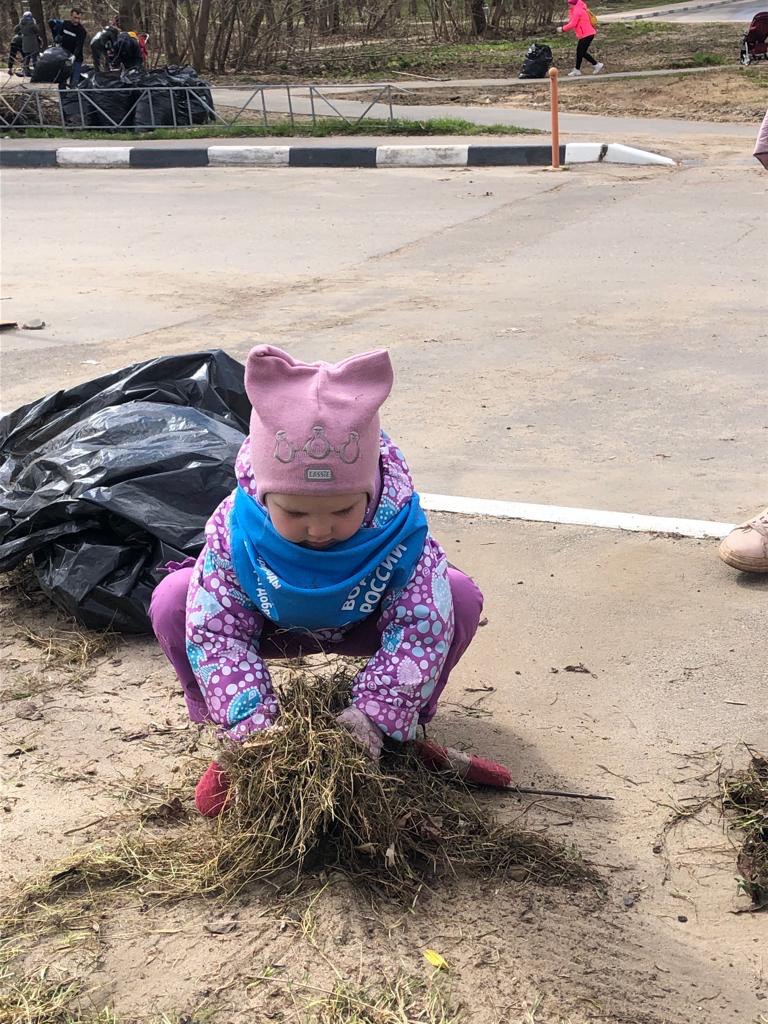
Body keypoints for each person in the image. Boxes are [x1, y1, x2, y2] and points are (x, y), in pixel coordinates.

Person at [149, 346, 484, 817]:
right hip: (275, 625)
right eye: (296, 512)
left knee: (458, 596)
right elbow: (218, 634)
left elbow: (419, 627)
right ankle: (227, 736)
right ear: (265, 497)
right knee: (174, 600)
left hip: (361, 625)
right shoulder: (237, 532)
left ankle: (402, 728)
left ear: (369, 493)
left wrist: (374, 712)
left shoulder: (398, 528)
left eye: (343, 510)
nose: (320, 529)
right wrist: (256, 731)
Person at [557, 0, 604, 78]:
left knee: (580, 52)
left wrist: (562, 29)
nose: (568, 5)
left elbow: (573, 23)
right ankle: (594, 65)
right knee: (581, 52)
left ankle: (580, 69)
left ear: (573, 3)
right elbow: (572, 21)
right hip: (585, 34)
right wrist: (571, 11)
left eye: (569, 4)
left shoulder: (578, 10)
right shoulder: (576, 9)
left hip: (587, 34)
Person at [59, 8, 87, 87]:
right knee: (62, 80)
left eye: (79, 18)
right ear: (71, 16)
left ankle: (72, 97)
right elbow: (59, 35)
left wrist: (74, 55)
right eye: (75, 18)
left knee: (74, 82)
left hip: (76, 58)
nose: (77, 21)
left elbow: (79, 45)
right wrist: (57, 40)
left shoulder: (81, 31)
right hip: (64, 56)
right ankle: (63, 98)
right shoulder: (65, 24)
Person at [14, 11, 41, 77]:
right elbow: (37, 30)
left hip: (25, 42)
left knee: (27, 57)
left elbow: (15, 30)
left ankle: (26, 72)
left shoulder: (21, 23)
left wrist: (20, 32)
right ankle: (36, 72)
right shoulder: (31, 23)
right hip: (32, 41)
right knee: (34, 57)